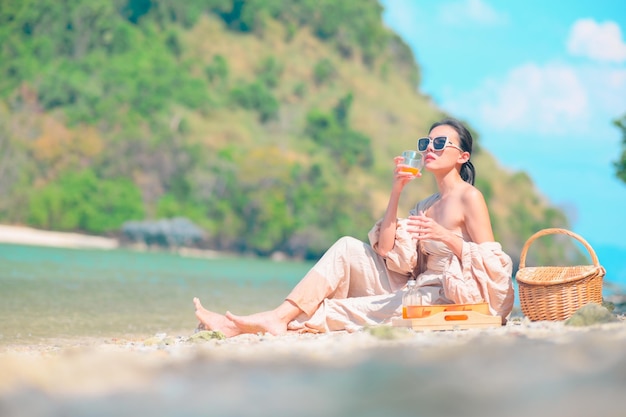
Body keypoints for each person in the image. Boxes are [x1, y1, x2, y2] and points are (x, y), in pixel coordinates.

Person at [193, 118, 514, 337]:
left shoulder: (470, 198)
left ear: (463, 156)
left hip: (443, 298)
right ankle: (273, 318)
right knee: (347, 245)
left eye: (441, 142)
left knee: (340, 310)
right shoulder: (426, 205)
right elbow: (388, 251)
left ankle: (245, 325)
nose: (430, 147)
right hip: (413, 287)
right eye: (426, 142)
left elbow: (494, 268)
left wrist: (448, 239)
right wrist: (396, 191)